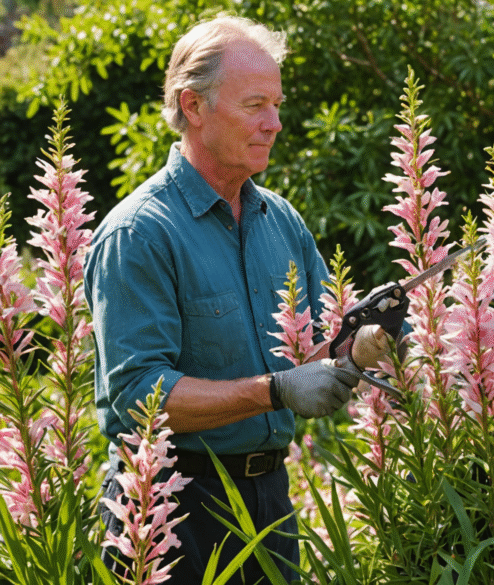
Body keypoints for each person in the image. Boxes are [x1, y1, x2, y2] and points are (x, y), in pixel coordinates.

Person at [84, 16, 389, 583]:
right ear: (193, 106)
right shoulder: (139, 233)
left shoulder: (282, 220)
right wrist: (275, 390)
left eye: (276, 105)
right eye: (255, 105)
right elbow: (134, 395)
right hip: (170, 511)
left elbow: (319, 343)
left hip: (270, 500)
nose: (274, 124)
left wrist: (370, 339)